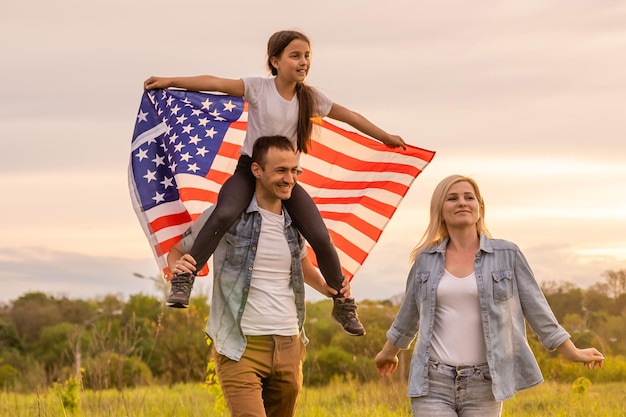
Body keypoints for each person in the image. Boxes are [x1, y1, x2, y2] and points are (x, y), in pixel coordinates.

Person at [145, 29, 406, 336]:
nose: (303, 62)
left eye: (307, 56)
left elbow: (350, 116)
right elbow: (214, 83)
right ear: (275, 61)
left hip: (286, 176)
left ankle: (343, 300)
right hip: (250, 170)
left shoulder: (311, 98)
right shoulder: (258, 88)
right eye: (295, 55)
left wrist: (386, 137)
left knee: (321, 237)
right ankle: (184, 278)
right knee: (226, 212)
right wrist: (170, 81)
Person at [374, 175, 604, 417]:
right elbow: (408, 315)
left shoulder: (507, 254)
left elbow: (538, 310)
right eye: (452, 198)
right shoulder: (425, 260)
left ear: (479, 208)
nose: (462, 202)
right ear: (440, 211)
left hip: (485, 382)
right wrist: (389, 352)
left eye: (468, 197)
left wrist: (571, 350)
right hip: (432, 381)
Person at [168, 136, 351, 417]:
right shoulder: (226, 216)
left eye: (294, 171)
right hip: (241, 345)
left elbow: (299, 262)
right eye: (280, 171)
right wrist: (178, 267)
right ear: (257, 171)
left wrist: (326, 288)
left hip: (289, 342)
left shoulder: (294, 221)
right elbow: (178, 250)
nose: (289, 178)